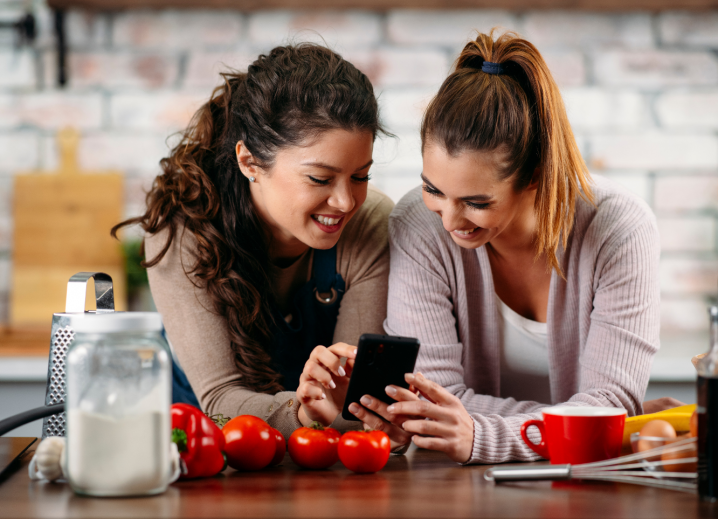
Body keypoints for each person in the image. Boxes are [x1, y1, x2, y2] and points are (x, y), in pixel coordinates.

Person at [348, 30, 667, 464]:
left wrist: (481, 434)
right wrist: (583, 422)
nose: (449, 220)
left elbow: (606, 406)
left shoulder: (620, 230)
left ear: (535, 175)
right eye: (432, 189)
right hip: (456, 487)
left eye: (477, 202)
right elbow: (432, 404)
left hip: (582, 489)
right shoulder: (418, 225)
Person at [112, 44, 393, 438]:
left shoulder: (371, 224)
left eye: (360, 176)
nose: (346, 201)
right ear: (249, 162)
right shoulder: (182, 232)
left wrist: (346, 410)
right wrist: (306, 410)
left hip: (316, 457)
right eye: (319, 179)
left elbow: (352, 406)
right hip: (201, 449)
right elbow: (220, 399)